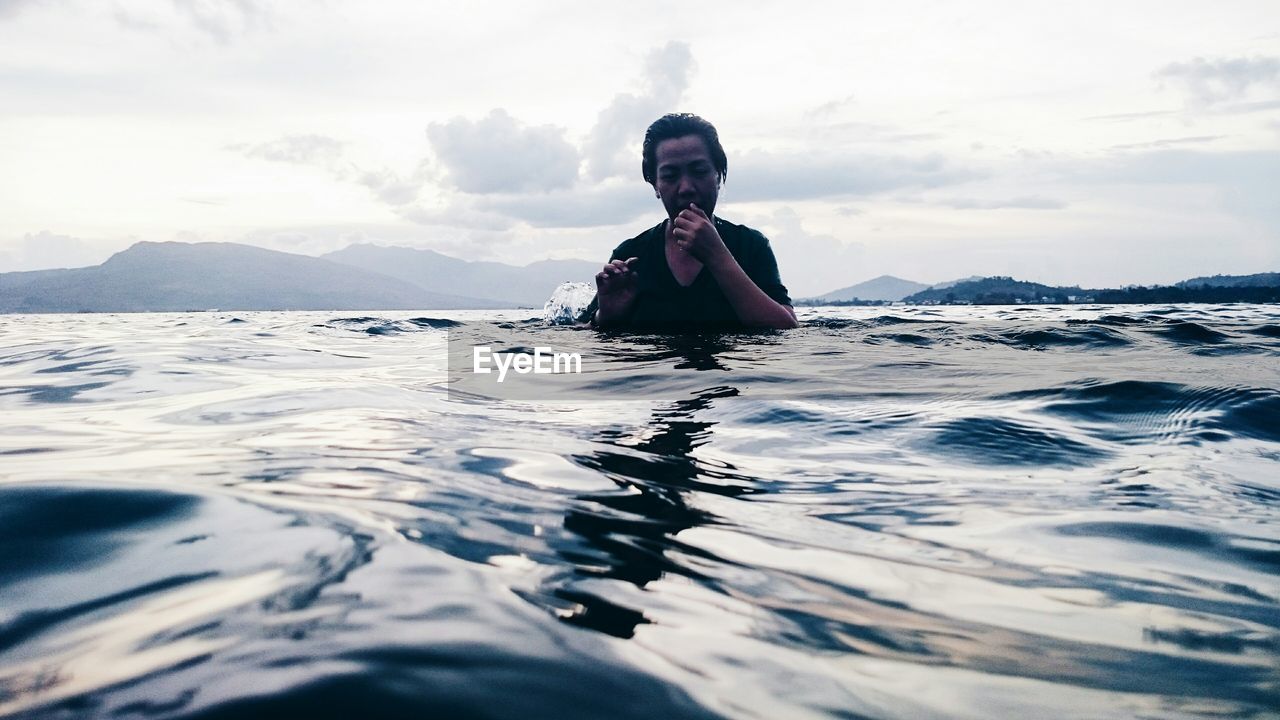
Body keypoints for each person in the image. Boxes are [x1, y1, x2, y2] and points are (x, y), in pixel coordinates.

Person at [580, 114, 798, 331]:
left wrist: (717, 256)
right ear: (655, 185)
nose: (686, 188)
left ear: (718, 175)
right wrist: (606, 317)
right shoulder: (632, 255)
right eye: (670, 176)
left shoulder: (750, 245)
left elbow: (787, 328)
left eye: (699, 171)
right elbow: (581, 335)